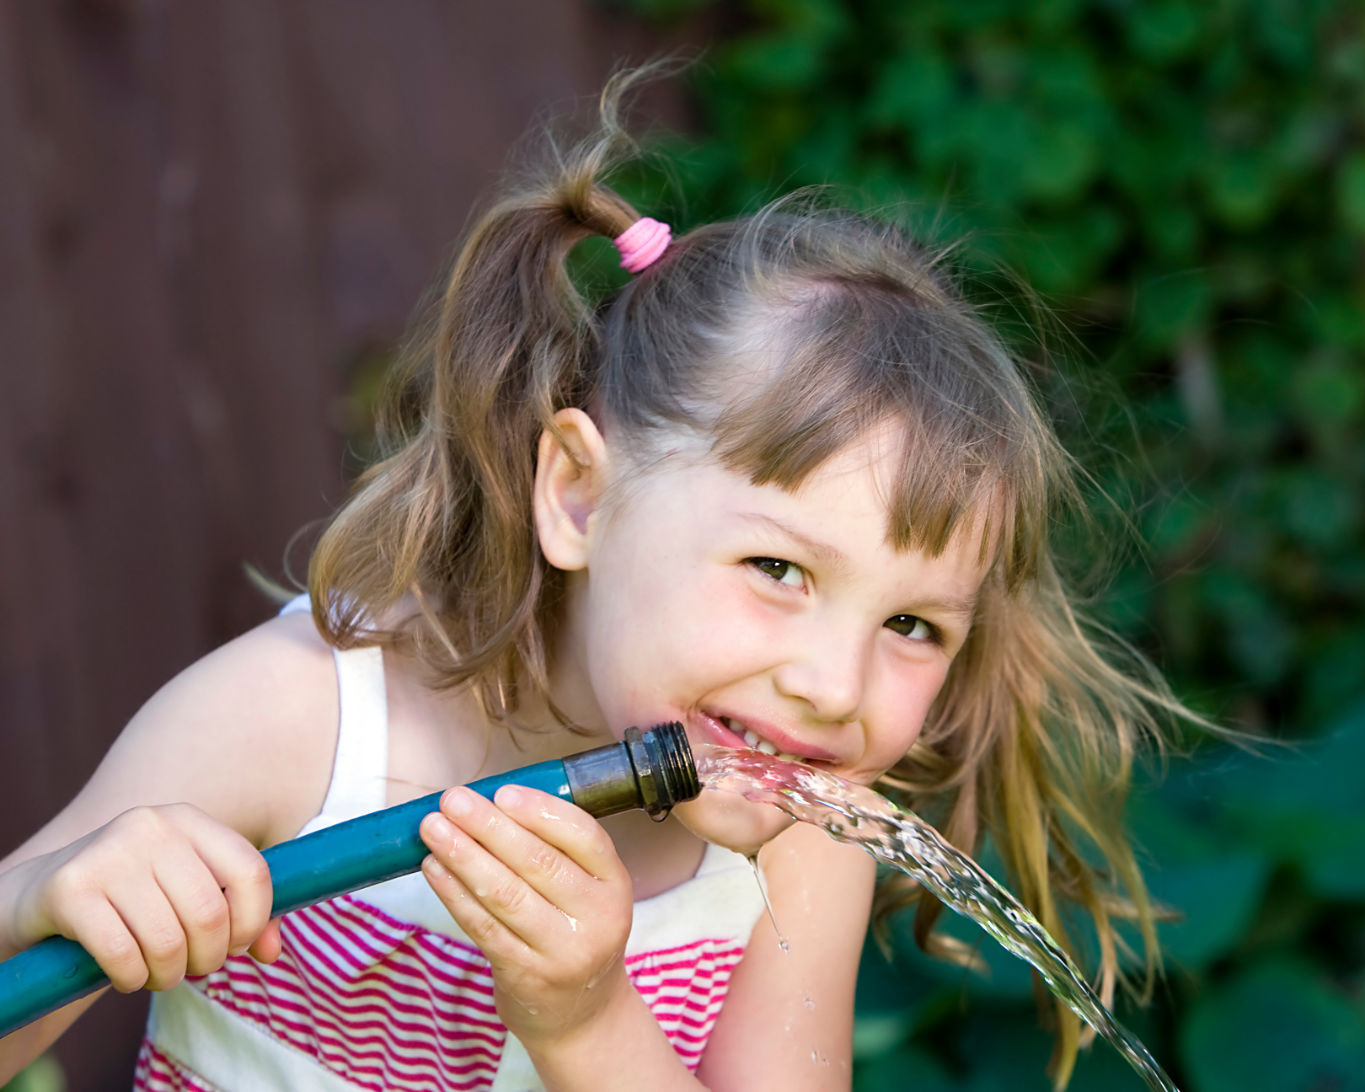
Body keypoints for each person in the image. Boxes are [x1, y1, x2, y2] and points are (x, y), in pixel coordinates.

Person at [0, 70, 1194, 1091]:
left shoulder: (798, 843)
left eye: (916, 625)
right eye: (778, 567)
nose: (836, 684)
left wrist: (586, 1023)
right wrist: (45, 901)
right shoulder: (304, 720)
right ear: (578, 494)